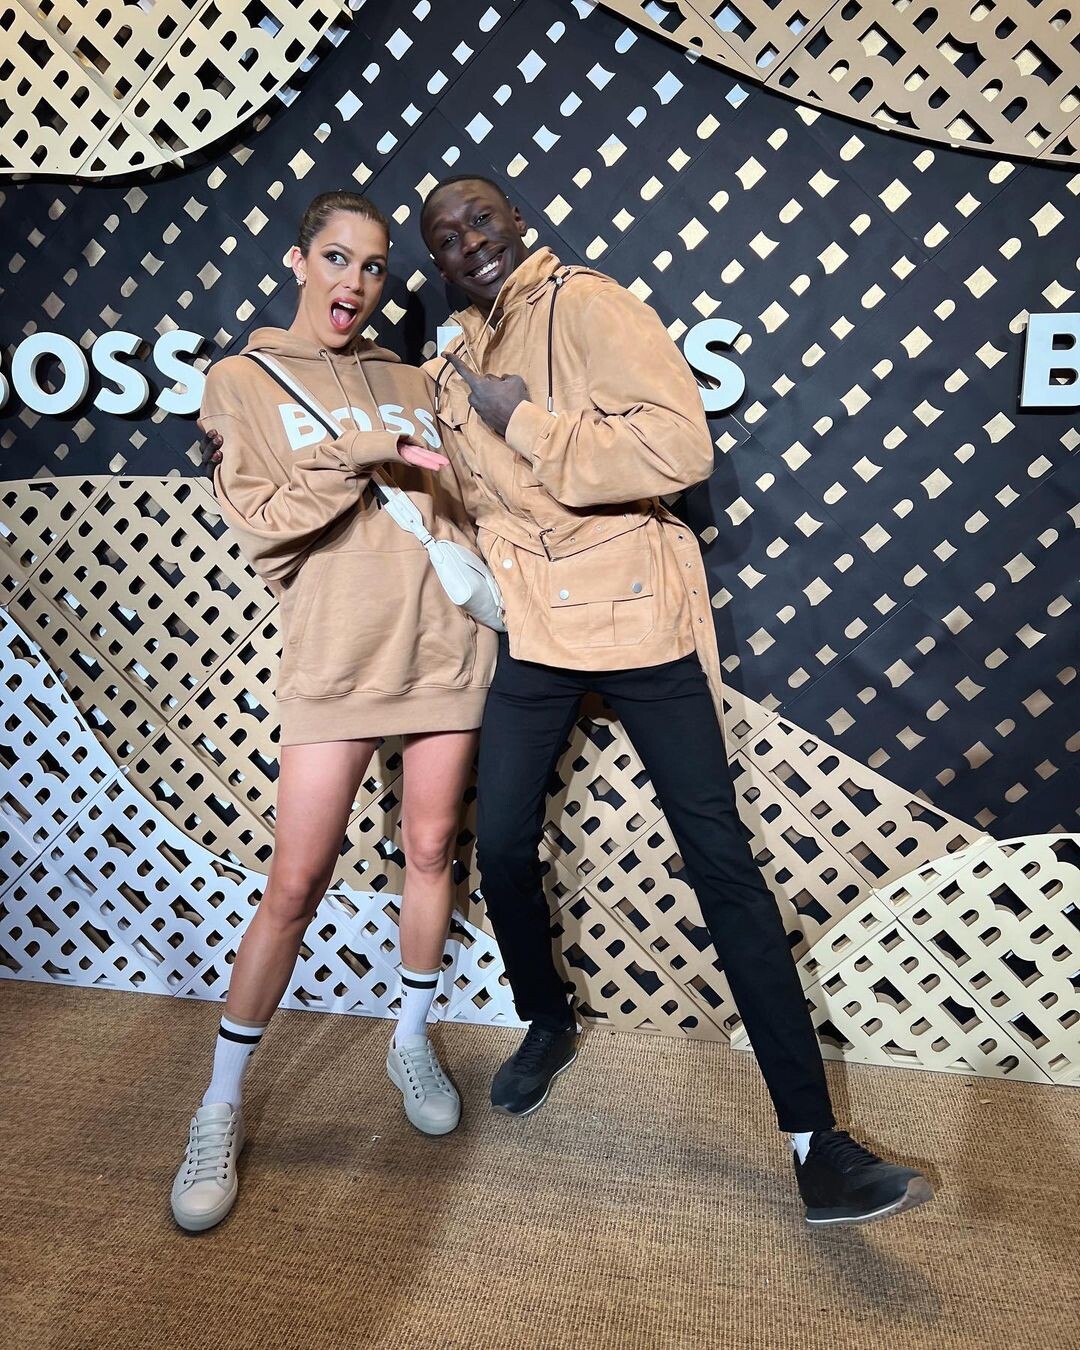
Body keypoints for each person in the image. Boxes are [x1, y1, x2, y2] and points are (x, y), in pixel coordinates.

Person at [418, 174, 933, 1227]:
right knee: (501, 844)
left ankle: (817, 1145)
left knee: (719, 862)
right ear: (438, 263)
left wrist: (529, 423)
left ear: (518, 222)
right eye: (446, 237)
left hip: (636, 620)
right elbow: (469, 498)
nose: (468, 242)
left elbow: (679, 447)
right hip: (535, 629)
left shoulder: (589, 303)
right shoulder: (452, 357)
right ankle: (547, 1018)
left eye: (481, 219)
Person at [172, 190, 498, 1233]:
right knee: (295, 883)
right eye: (336, 258)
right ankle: (218, 1107)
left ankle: (408, 1038)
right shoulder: (243, 379)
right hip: (338, 653)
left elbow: (460, 501)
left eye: (372, 265)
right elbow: (265, 527)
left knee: (432, 850)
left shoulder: (410, 378)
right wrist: (355, 456)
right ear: (299, 261)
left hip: (445, 645)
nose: (354, 281)